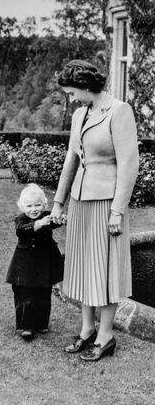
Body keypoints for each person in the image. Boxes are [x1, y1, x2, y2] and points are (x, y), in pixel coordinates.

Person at [50, 60, 139, 361]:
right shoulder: (79, 115)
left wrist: (117, 211)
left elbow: (129, 165)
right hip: (79, 201)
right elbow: (70, 163)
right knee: (84, 267)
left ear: (87, 87)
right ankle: (87, 329)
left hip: (106, 204)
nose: (71, 98)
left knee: (106, 269)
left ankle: (106, 335)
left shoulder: (119, 111)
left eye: (72, 92)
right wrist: (58, 203)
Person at [6, 183, 65, 341]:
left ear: (44, 205)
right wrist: (39, 223)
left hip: (43, 264)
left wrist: (61, 219)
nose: (34, 209)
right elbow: (21, 230)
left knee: (43, 294)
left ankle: (40, 323)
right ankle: (26, 326)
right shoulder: (21, 220)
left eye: (37, 205)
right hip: (24, 266)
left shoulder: (46, 216)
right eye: (29, 206)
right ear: (22, 206)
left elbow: (55, 221)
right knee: (25, 295)